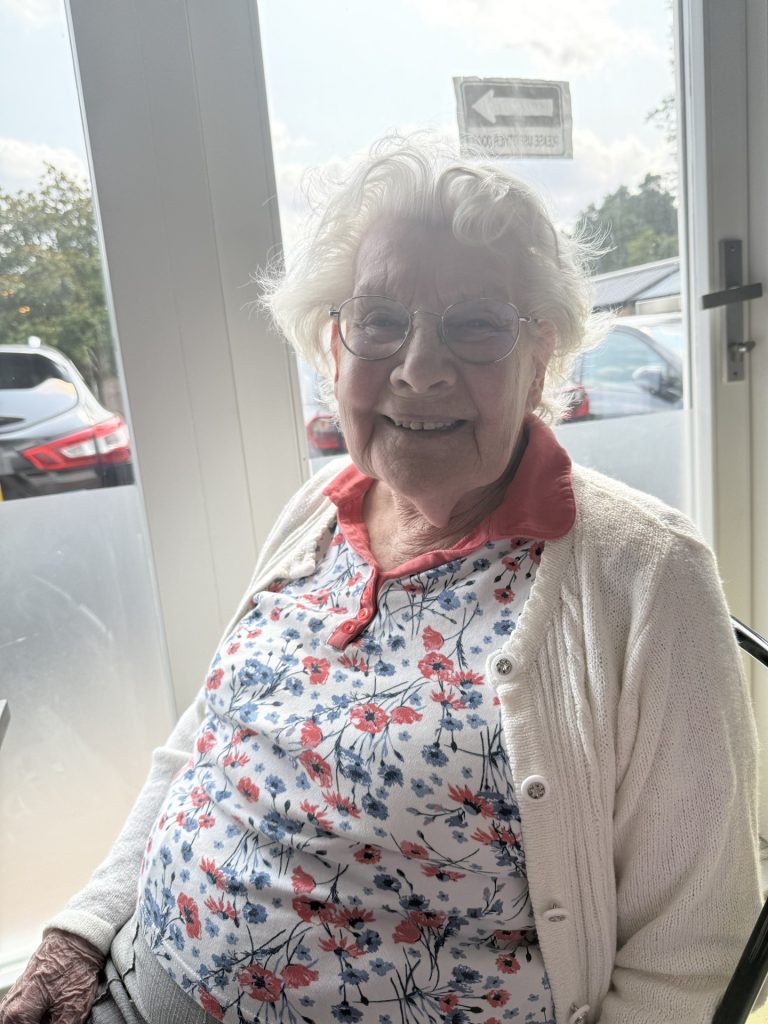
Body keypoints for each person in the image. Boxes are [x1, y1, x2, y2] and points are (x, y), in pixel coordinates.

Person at [0, 136, 760, 1024]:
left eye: (476, 324)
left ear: (541, 355)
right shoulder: (320, 507)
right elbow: (206, 744)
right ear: (333, 345)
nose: (419, 366)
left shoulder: (646, 575)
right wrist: (79, 934)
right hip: (130, 988)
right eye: (379, 320)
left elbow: (692, 953)